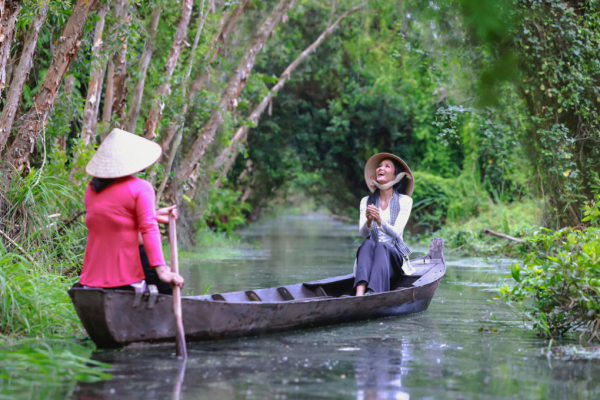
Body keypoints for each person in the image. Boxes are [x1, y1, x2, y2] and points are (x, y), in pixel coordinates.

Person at [79, 128, 184, 293]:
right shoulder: (141, 188)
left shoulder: (91, 190)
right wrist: (162, 271)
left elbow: (114, 227)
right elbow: (148, 229)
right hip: (125, 278)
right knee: (169, 286)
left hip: (91, 278)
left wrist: (153, 215)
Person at [354, 153, 415, 296]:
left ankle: (374, 293)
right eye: (379, 166)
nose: (381, 168)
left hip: (394, 258)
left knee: (382, 246)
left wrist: (380, 221)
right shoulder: (366, 201)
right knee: (367, 244)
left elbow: (397, 232)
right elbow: (363, 233)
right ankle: (359, 294)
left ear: (396, 175)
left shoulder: (404, 201)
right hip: (371, 257)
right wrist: (369, 221)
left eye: (387, 166)